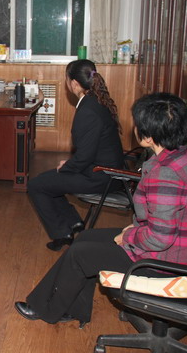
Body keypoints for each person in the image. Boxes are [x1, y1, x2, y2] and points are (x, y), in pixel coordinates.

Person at [15, 92, 187, 327]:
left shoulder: (166, 175)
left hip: (164, 264)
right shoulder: (183, 155)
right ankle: (73, 309)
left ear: (148, 136)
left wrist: (128, 236)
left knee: (80, 254)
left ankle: (45, 309)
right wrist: (134, 230)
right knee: (85, 238)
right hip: (178, 250)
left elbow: (160, 238)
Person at [27, 59, 125, 251]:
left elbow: (85, 156)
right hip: (105, 171)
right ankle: (74, 223)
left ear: (73, 83)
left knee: (36, 185)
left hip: (101, 176)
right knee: (47, 180)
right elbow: (88, 151)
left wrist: (67, 166)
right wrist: (69, 165)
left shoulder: (88, 110)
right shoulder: (96, 101)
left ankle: (62, 234)